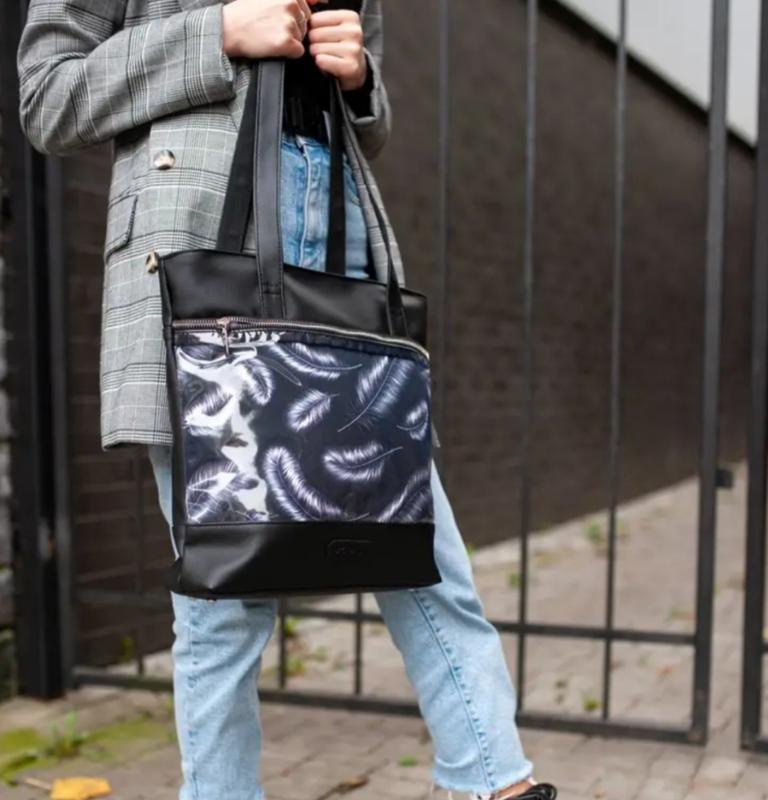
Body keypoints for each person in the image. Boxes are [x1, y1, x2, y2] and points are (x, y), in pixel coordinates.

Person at [17, 2, 558, 798]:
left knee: (418, 547)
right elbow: (48, 95)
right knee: (226, 592)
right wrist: (217, 33)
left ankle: (493, 782)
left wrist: (360, 79)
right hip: (203, 247)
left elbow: (367, 123)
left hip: (339, 232)